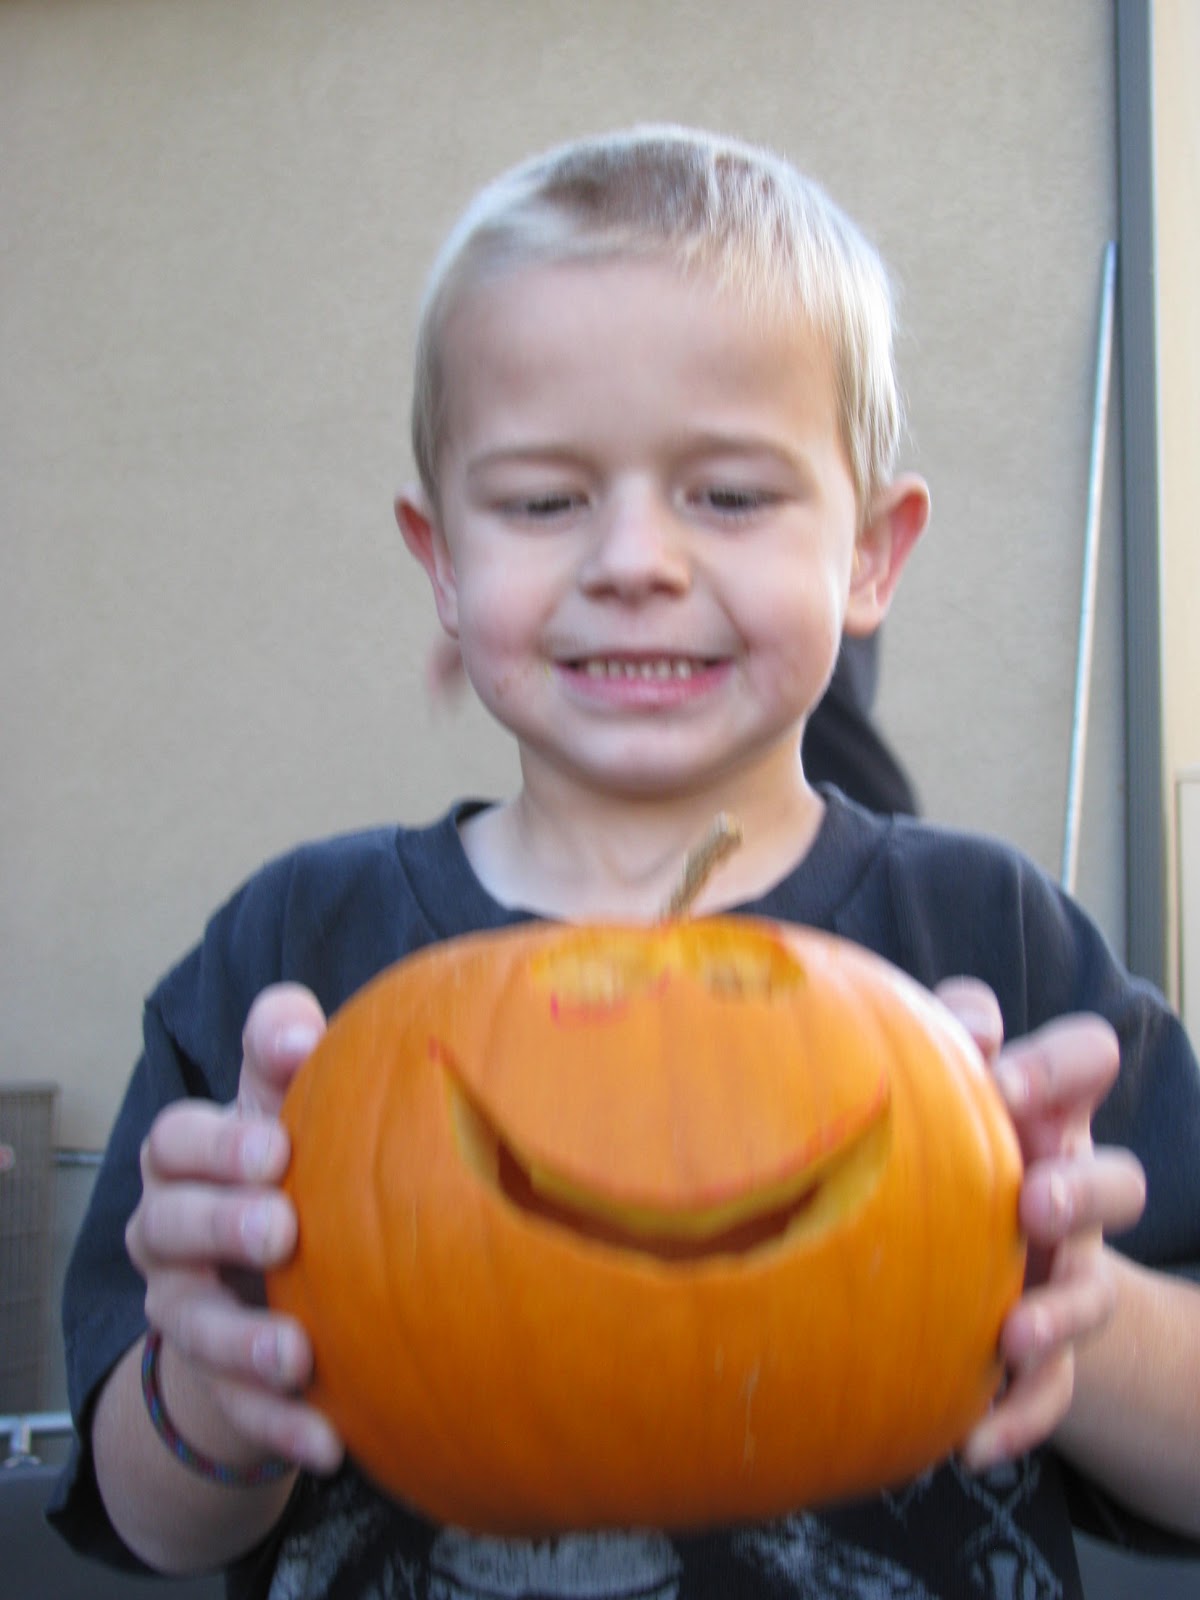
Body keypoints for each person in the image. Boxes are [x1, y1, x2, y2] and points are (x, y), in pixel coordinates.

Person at [49, 126, 1200, 1600]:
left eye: (730, 494)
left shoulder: (994, 940)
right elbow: (148, 1519)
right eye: (545, 501)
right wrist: (217, 1385)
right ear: (443, 563)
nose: (634, 560)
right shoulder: (295, 955)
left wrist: (1072, 1304)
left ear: (871, 554)